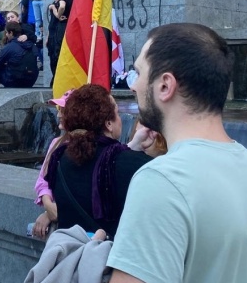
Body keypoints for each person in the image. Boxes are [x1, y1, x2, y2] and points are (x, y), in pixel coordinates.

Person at [93, 22, 247, 283]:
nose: (132, 85)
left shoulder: (162, 181)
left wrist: (80, 274)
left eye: (138, 72)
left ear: (165, 85)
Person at [34, 84, 162, 239]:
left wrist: (131, 147)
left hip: (71, 256)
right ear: (109, 124)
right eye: (117, 113)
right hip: (107, 259)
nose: (120, 118)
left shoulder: (60, 158)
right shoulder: (134, 165)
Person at [0, 22, 39, 88]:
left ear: (11, 33)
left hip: (15, 80)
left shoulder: (10, 47)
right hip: (31, 80)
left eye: (6, 32)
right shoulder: (32, 45)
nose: (6, 34)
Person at [47, 0, 74, 78]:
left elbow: (62, 7)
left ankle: (57, 77)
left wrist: (55, 10)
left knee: (57, 53)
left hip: (62, 27)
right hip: (69, 26)